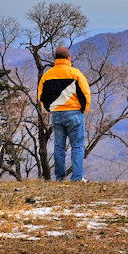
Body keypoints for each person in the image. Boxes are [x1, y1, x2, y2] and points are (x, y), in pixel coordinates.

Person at [37, 46, 91, 181]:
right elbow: (85, 94)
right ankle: (77, 178)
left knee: (59, 147)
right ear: (68, 58)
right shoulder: (75, 73)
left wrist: (51, 109)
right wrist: (83, 109)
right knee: (77, 146)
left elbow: (41, 97)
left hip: (56, 113)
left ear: (56, 59)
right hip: (74, 113)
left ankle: (59, 178)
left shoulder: (47, 75)